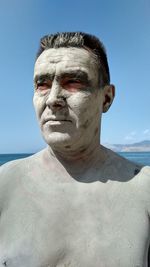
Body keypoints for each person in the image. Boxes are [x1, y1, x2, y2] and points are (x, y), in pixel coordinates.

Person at [0, 32, 150, 267]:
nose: (52, 99)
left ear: (107, 98)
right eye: (42, 84)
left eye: (73, 82)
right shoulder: (4, 184)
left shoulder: (144, 190)